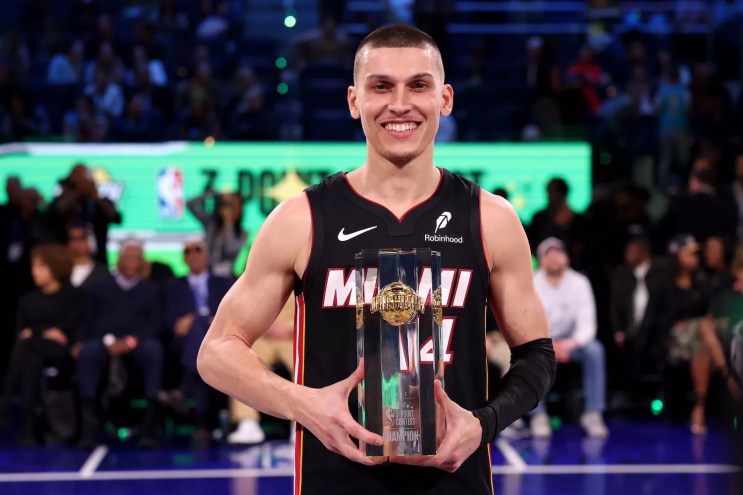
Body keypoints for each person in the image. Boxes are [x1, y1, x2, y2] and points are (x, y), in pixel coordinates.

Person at [198, 25, 556, 494]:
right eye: (381, 86)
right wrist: (303, 404)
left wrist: (483, 424)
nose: (400, 104)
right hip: (335, 480)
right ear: (353, 100)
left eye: (419, 85)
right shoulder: (301, 219)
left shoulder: (491, 218)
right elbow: (216, 353)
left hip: (455, 482)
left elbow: (537, 357)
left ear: (445, 99)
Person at [74, 239, 164, 449]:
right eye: (129, 256)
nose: (133, 261)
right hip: (103, 341)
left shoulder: (152, 290)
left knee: (153, 350)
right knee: (87, 353)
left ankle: (148, 428)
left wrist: (132, 341)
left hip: (138, 342)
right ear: (119, 259)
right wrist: (103, 342)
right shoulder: (98, 288)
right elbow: (87, 321)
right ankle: (88, 428)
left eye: (138, 257)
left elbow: (157, 325)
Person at [528, 237, 608, 438]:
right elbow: (528, 322)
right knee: (528, 353)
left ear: (567, 258)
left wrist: (570, 344)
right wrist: (549, 344)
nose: (554, 258)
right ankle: (538, 415)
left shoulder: (580, 283)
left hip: (572, 343)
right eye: (548, 254)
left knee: (595, 350)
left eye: (559, 253)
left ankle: (593, 413)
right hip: (543, 341)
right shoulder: (531, 283)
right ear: (541, 259)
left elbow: (588, 325)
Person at [4, 244, 84, 446]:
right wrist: (44, 333)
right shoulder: (27, 299)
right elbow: (22, 333)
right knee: (30, 355)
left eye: (40, 266)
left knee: (28, 348)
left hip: (65, 352)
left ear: (55, 267)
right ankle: (28, 425)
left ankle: (12, 407)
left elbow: (68, 331)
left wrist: (37, 333)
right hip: (33, 351)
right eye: (33, 266)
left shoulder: (74, 296)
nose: (34, 271)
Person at [164, 239, 233, 448]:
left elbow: (233, 316)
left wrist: (207, 322)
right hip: (184, 345)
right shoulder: (173, 286)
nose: (193, 254)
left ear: (207, 255)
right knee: (199, 335)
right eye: (188, 251)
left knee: (199, 326)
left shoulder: (225, 283)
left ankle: (185, 393)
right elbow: (171, 324)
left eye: (198, 250)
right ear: (184, 257)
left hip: (221, 341)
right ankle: (205, 425)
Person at [187, 190, 247, 277]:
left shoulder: (242, 233)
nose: (228, 208)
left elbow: (230, 250)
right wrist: (211, 194)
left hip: (228, 277)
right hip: (207, 275)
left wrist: (228, 222)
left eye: (232, 205)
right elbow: (190, 204)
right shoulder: (211, 224)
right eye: (225, 204)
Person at [66, 225, 112, 291]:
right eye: (73, 238)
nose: (78, 243)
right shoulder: (60, 271)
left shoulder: (103, 272)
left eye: (82, 238)